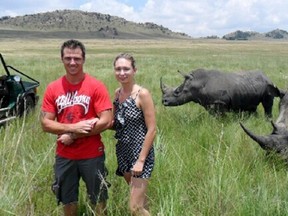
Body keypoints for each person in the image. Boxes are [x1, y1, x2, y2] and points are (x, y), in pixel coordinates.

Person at [40, 39, 113, 216]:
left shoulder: (96, 86)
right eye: (68, 58)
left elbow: (107, 120)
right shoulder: (53, 88)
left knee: (98, 198)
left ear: (84, 59)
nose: (72, 62)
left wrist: (73, 135)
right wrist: (74, 127)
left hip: (92, 154)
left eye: (77, 58)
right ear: (62, 59)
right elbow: (45, 123)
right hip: (65, 156)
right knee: (68, 199)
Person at [112, 53, 156, 216]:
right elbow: (116, 123)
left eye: (126, 69)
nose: (122, 73)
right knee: (140, 201)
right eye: (118, 69)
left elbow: (152, 129)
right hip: (123, 151)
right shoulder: (117, 93)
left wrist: (141, 160)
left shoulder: (142, 94)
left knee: (134, 208)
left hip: (140, 153)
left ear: (134, 70)